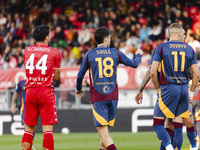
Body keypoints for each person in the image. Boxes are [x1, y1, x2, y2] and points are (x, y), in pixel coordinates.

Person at [76, 27, 143, 150]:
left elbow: (80, 74)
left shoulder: (89, 54)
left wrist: (78, 88)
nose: (110, 40)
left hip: (98, 97)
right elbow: (134, 64)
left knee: (103, 134)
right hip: (113, 96)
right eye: (110, 38)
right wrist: (138, 55)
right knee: (105, 135)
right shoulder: (115, 52)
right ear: (106, 39)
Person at [150, 23, 199, 150]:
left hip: (168, 88)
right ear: (177, 34)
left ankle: (169, 147)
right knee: (177, 124)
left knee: (157, 123)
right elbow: (196, 74)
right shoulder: (189, 49)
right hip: (183, 89)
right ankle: (192, 147)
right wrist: (191, 92)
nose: (184, 36)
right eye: (183, 34)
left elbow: (152, 71)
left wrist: (157, 88)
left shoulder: (161, 48)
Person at [135, 51, 198, 150]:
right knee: (176, 125)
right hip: (180, 91)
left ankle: (173, 147)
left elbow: (150, 72)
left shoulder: (160, 51)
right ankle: (192, 146)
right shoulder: (183, 52)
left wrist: (141, 89)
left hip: (165, 93)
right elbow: (192, 74)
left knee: (160, 124)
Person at [22, 25, 61, 150]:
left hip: (30, 92)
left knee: (28, 130)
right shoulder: (55, 52)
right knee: (47, 130)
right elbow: (56, 77)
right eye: (49, 34)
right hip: (45, 92)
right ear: (46, 37)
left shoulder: (27, 51)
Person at [11, 80, 36, 150]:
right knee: (27, 127)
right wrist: (12, 104)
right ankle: (25, 146)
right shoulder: (21, 83)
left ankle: (29, 144)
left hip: (34, 109)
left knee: (32, 128)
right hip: (24, 109)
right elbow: (16, 93)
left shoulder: (35, 82)